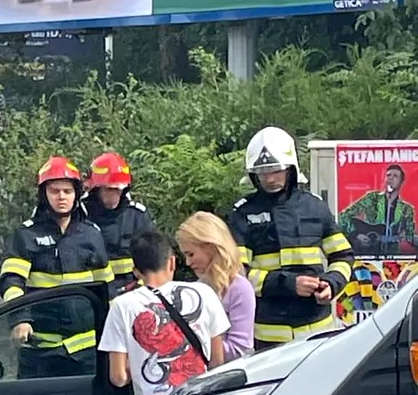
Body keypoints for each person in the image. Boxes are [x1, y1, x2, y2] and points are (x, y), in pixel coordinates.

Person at [98, 229, 230, 395]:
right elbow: (218, 362)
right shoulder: (204, 294)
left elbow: (118, 377)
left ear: (136, 271)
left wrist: (138, 366)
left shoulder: (122, 306)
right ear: (172, 262)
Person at [227, 126, 354, 351]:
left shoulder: (315, 206)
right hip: (268, 336)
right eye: (262, 172)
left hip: (318, 332)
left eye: (276, 170)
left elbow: (343, 256)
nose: (269, 178)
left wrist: (332, 283)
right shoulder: (243, 214)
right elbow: (236, 274)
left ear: (291, 169)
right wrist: (287, 284)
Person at [0, 155, 114, 377]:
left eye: (67, 191)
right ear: (44, 195)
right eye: (55, 191)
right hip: (39, 351)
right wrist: (20, 319)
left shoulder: (91, 234)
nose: (61, 197)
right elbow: (11, 280)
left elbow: (107, 288)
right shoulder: (27, 235)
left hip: (86, 352)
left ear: (76, 195)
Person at [176, 210, 255, 361]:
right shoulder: (195, 290)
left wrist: (193, 342)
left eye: (191, 254)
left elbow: (240, 349)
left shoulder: (239, 288)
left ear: (211, 248)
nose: (188, 262)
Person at [83, 152, 154, 298]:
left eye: (119, 189)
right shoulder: (80, 216)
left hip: (133, 294)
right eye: (109, 189)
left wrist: (140, 289)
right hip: (92, 295)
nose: (115, 195)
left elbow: (152, 260)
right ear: (96, 189)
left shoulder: (137, 216)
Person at [339, 164, 416, 256]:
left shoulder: (406, 209)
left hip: (392, 255)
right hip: (368, 254)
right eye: (388, 175)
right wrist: (355, 234)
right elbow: (343, 216)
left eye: (395, 176)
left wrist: (405, 236)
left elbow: (410, 235)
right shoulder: (372, 198)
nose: (390, 178)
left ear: (401, 182)